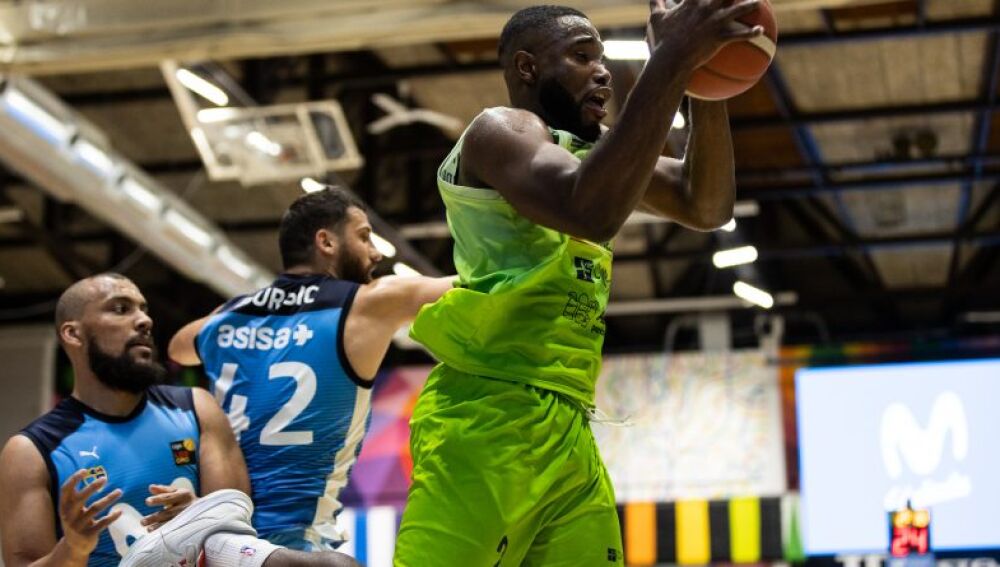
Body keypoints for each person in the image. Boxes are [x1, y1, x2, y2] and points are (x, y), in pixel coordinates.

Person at [394, 2, 759, 565]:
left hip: (569, 422)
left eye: (603, 57)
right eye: (582, 56)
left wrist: (704, 80)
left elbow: (705, 204)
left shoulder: (596, 155)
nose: (603, 71)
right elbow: (588, 211)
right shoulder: (500, 130)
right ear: (527, 67)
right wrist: (670, 58)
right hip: (487, 413)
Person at [0, 273, 359, 567]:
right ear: (73, 333)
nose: (144, 321)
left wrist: (197, 513)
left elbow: (233, 531)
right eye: (121, 309)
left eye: (144, 310)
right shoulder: (31, 451)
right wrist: (74, 548)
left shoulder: (196, 408)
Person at [168, 186, 454, 551]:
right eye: (364, 236)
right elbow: (475, 287)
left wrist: (242, 310)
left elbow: (179, 347)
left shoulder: (229, 318)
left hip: (225, 546)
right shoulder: (364, 305)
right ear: (326, 242)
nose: (376, 252)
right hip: (295, 544)